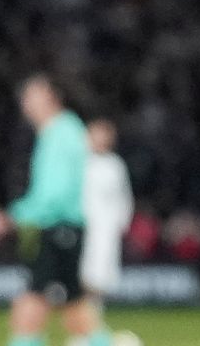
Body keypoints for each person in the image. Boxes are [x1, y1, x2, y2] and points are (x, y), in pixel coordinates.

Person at [0, 75, 117, 346]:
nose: (25, 102)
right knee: (71, 304)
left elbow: (54, 192)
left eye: (31, 95)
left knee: (33, 300)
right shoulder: (59, 131)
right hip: (63, 227)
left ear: (51, 97)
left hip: (57, 227)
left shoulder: (61, 133)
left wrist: (10, 217)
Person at [78, 119, 134, 332]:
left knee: (100, 279)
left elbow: (123, 197)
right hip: (83, 227)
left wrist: (122, 223)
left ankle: (93, 321)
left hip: (106, 230)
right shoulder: (80, 162)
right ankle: (84, 324)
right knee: (83, 277)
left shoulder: (115, 165)